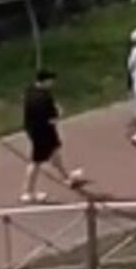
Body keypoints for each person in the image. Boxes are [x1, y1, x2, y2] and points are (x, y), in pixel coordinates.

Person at [20, 69, 85, 203]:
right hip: (43, 132)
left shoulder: (30, 90)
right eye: (51, 81)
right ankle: (28, 192)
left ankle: (67, 177)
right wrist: (60, 113)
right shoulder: (44, 97)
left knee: (55, 153)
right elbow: (53, 118)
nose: (52, 84)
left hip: (33, 129)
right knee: (36, 162)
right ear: (46, 80)